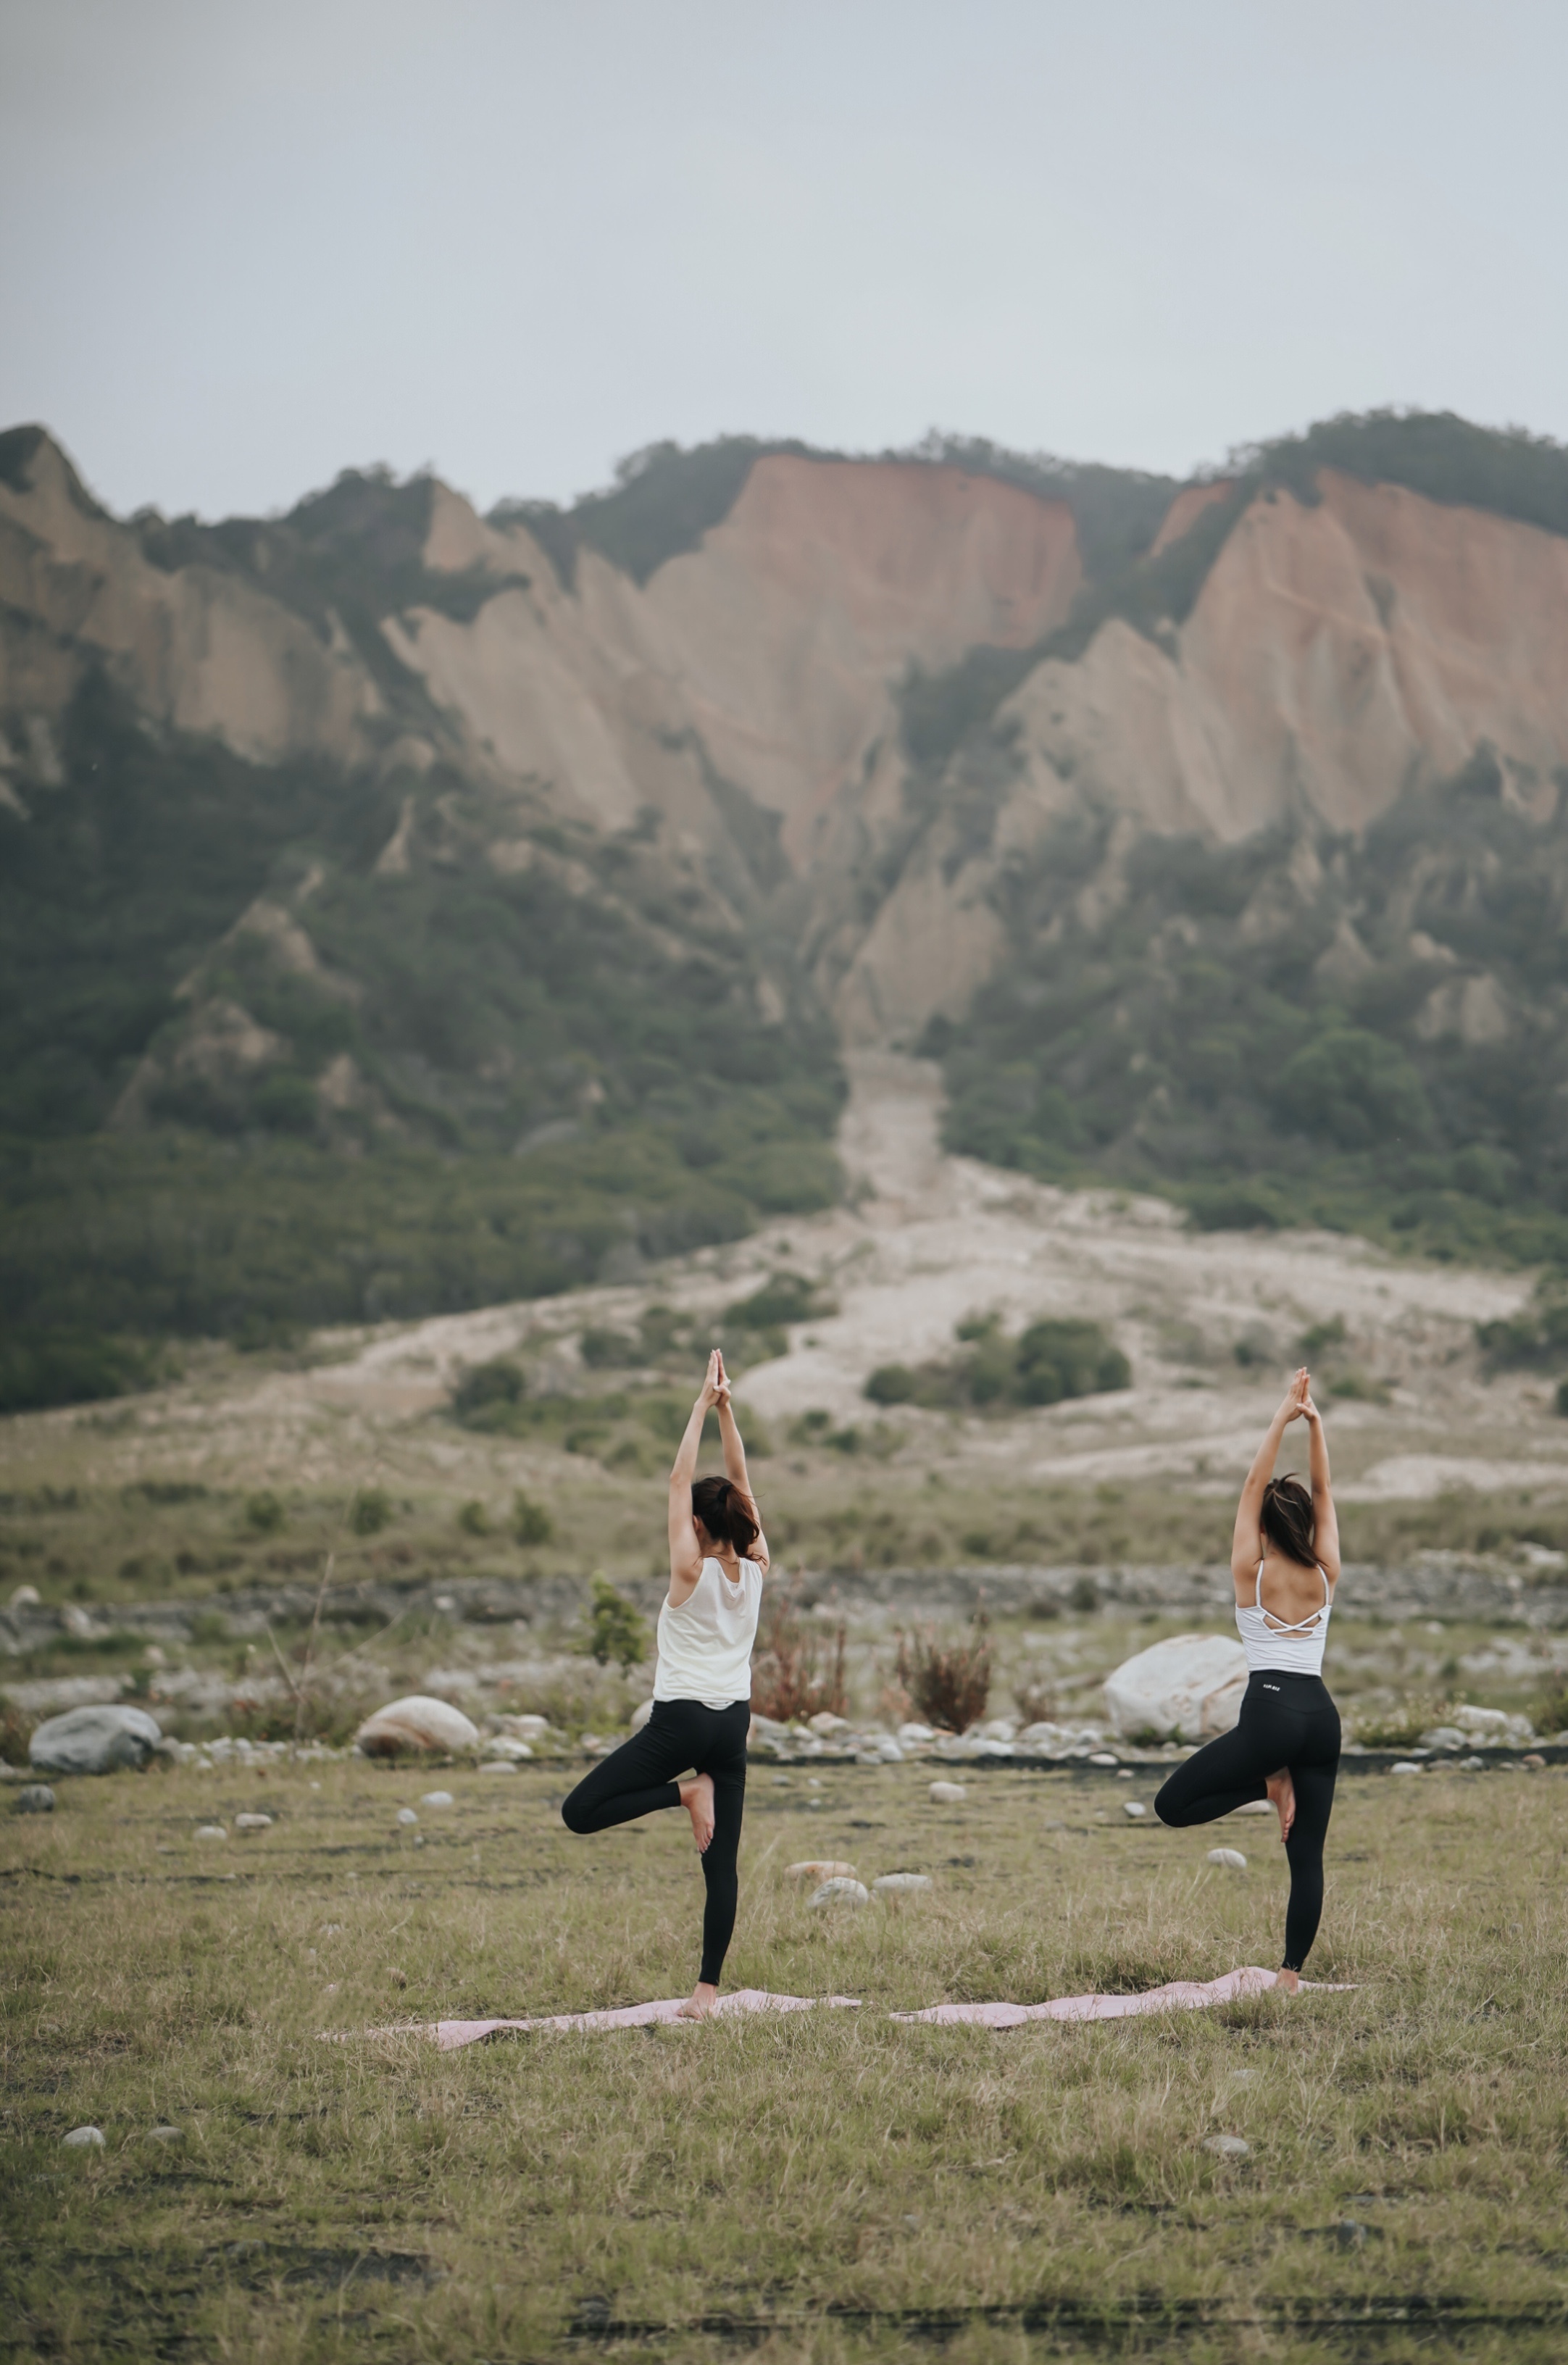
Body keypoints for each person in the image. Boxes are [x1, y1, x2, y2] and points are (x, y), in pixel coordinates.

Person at [560, 1347, 767, 2019]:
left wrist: (702, 1406)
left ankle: (685, 1794)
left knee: (579, 1812)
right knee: (723, 1867)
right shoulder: (759, 1568)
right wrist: (730, 1413)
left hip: (680, 1723)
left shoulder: (688, 1572)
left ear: (699, 1527)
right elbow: (740, 1482)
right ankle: (706, 1994)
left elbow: (681, 1480)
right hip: (732, 1725)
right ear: (742, 1523)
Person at [1154, 1366, 1341, 1991]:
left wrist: (1282, 1414)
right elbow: (1324, 1486)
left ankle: (1266, 1785)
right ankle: (1290, 1977)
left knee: (1171, 1807)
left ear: (1262, 1524)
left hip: (1270, 1716)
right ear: (1308, 1524)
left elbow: (1252, 1480)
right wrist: (1313, 1423)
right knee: (1306, 1856)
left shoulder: (1250, 1571)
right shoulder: (1326, 1571)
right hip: (1321, 1718)